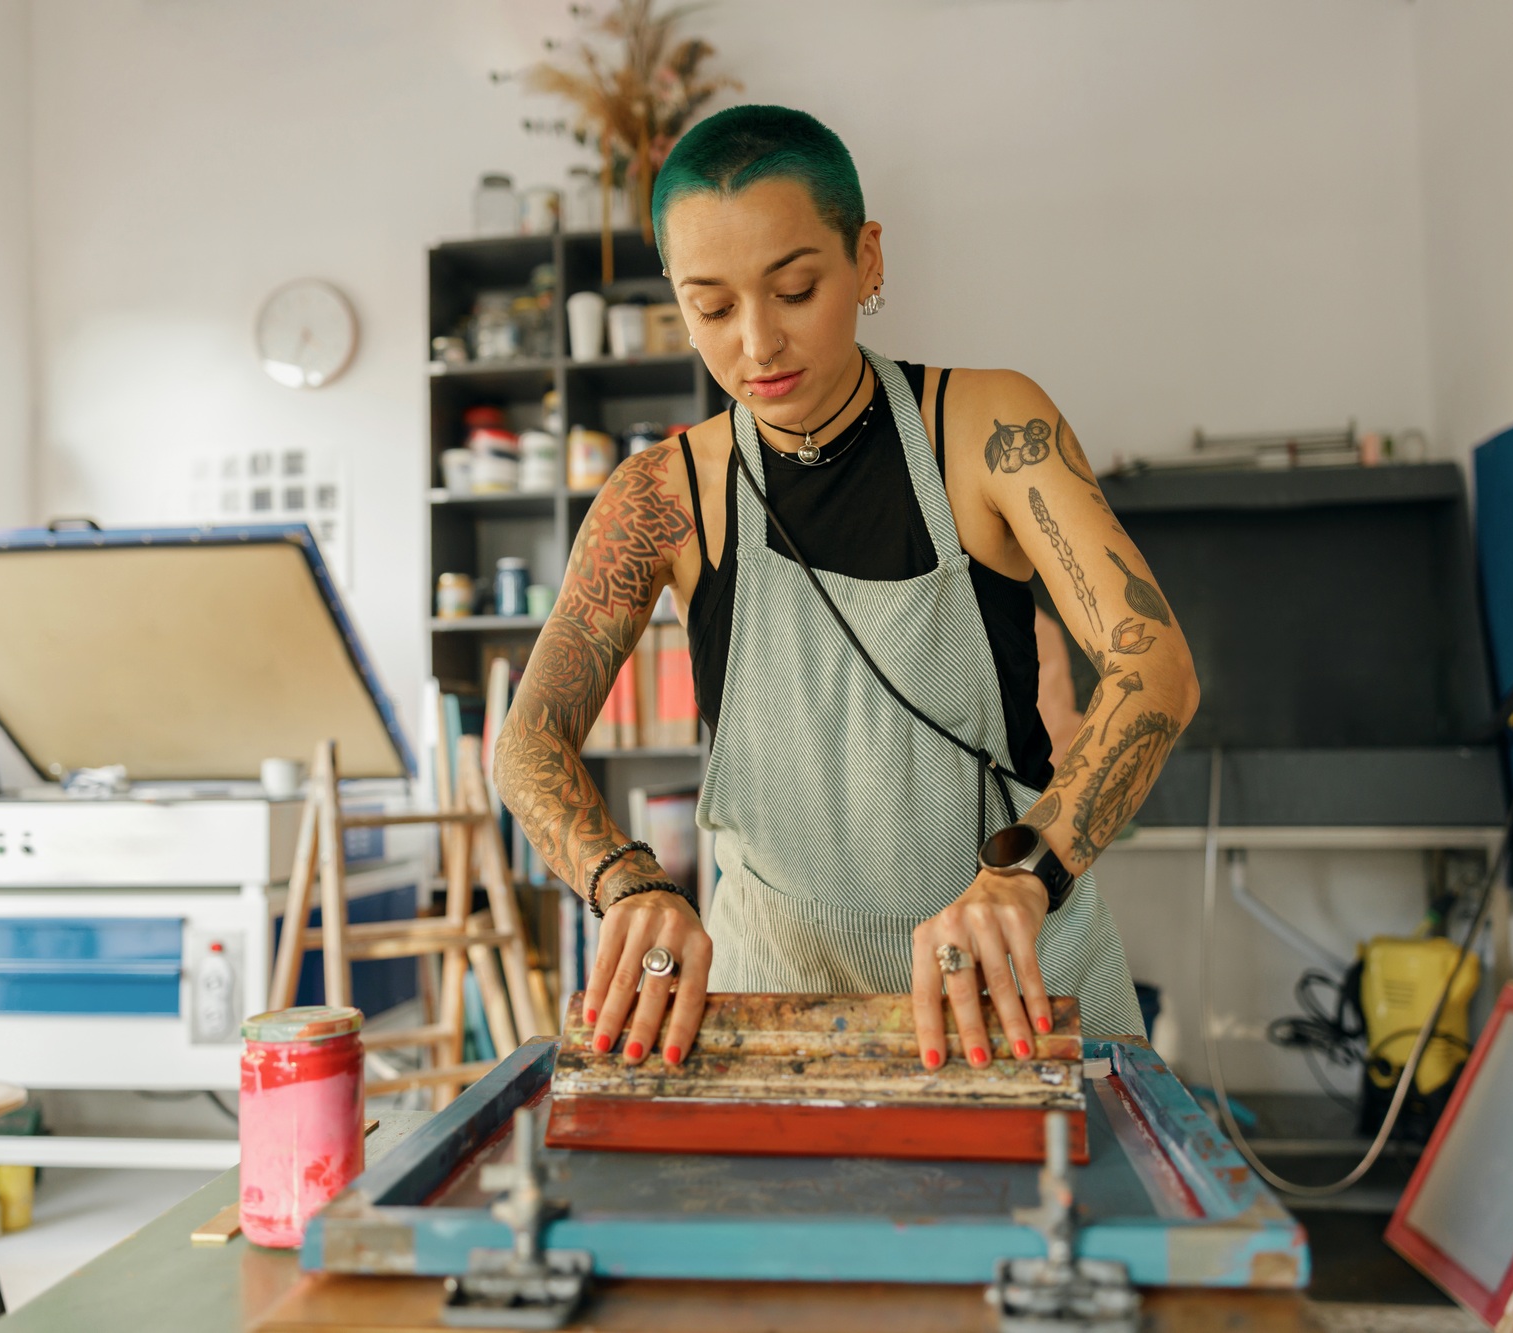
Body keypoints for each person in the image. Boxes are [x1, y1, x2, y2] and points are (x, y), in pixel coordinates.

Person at [496, 104, 1198, 1073]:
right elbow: (527, 742)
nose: (756, 342)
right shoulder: (662, 498)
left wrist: (1028, 872)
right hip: (775, 999)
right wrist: (627, 884)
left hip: (1011, 978)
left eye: (794, 288)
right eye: (710, 306)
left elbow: (1150, 663)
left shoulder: (988, 428)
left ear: (866, 261)